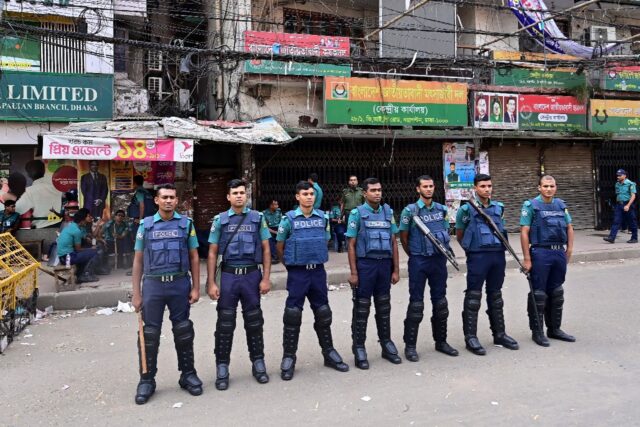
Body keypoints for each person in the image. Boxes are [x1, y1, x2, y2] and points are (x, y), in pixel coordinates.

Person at [131, 184, 203, 405]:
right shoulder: (146, 225)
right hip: (153, 286)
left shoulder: (186, 224)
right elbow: (138, 260)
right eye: (164, 197)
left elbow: (194, 257)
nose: (169, 201)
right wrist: (136, 293)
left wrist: (196, 287)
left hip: (179, 283)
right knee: (149, 334)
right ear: (156, 200)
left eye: (172, 197)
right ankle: (147, 379)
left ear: (176, 200)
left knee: (183, 330)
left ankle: (188, 374)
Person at [276, 181, 349, 380]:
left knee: (323, 313)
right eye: (305, 194)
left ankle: (329, 353)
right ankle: (288, 358)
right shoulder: (288, 220)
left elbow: (324, 241)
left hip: (317, 272)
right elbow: (280, 246)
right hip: (298, 273)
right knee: (292, 315)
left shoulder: (322, 218)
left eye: (311, 193)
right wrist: (291, 265)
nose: (309, 197)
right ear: (297, 197)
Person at [206, 179, 272, 391]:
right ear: (228, 197)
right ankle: (222, 367)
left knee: (254, 322)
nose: (239, 196)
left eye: (242, 192)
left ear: (246, 195)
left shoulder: (257, 218)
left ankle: (258, 363)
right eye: (235, 193)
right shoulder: (220, 220)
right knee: (225, 325)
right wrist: (211, 283)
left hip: (252, 275)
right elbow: (212, 252)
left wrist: (266, 278)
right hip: (229, 276)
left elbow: (266, 248)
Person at [455, 174, 519, 355]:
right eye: (483, 186)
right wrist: (473, 251)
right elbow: (460, 234)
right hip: (478, 257)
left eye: (489, 185)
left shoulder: (499, 207)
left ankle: (499, 334)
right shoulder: (466, 209)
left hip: (497, 256)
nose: (487, 189)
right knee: (474, 297)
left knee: (496, 296)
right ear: (475, 188)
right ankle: (471, 338)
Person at [399, 175, 459, 362]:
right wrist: (415, 255)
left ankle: (441, 342)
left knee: (440, 303)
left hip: (438, 261)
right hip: (419, 261)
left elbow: (445, 232)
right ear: (418, 189)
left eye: (431, 186)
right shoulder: (410, 211)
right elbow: (404, 237)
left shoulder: (441, 209)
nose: (429, 189)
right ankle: (410, 346)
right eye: (425, 186)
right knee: (416, 305)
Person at [346, 177, 401, 369]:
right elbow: (351, 245)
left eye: (379, 190)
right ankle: (359, 348)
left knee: (383, 307)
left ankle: (386, 343)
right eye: (373, 190)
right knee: (362, 309)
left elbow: (394, 241)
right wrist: (354, 273)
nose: (377, 193)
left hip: (384, 266)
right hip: (365, 266)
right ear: (365, 193)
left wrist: (396, 269)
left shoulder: (388, 212)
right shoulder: (357, 214)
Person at [520, 175, 576, 347]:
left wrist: (570, 249)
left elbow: (569, 227)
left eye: (552, 186)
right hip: (540, 252)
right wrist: (527, 258)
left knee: (557, 292)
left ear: (556, 187)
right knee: (539, 294)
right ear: (539, 188)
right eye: (545, 186)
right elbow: (524, 232)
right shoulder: (531, 206)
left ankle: (554, 329)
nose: (549, 189)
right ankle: (537, 332)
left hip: (558, 251)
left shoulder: (561, 205)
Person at [56, 208, 99, 283]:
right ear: (82, 219)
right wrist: (91, 249)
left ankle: (80, 274)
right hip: (67, 258)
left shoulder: (72, 226)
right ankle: (85, 275)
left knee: (88, 251)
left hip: (63, 257)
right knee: (94, 252)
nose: (90, 217)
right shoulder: (76, 231)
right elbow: (78, 249)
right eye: (88, 216)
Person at [15, 160, 63, 229]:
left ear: (28, 174)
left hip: (40, 229)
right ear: (44, 171)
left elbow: (18, 210)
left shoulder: (29, 191)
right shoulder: (56, 188)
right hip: (58, 226)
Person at [603, 169, 637, 244]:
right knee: (616, 221)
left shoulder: (630, 184)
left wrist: (628, 205)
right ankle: (612, 238)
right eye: (617, 175)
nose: (618, 177)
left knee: (632, 221)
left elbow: (633, 196)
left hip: (628, 204)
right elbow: (618, 194)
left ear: (624, 176)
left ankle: (634, 238)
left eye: (620, 175)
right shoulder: (617, 184)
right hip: (619, 205)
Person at [262, 199, 282, 263]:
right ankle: (274, 256)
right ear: (271, 205)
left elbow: (282, 223)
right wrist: (275, 232)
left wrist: (280, 231)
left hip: (279, 229)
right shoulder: (264, 213)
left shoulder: (279, 212)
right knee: (270, 239)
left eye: (277, 204)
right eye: (275, 204)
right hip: (269, 229)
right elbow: (265, 227)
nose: (277, 206)